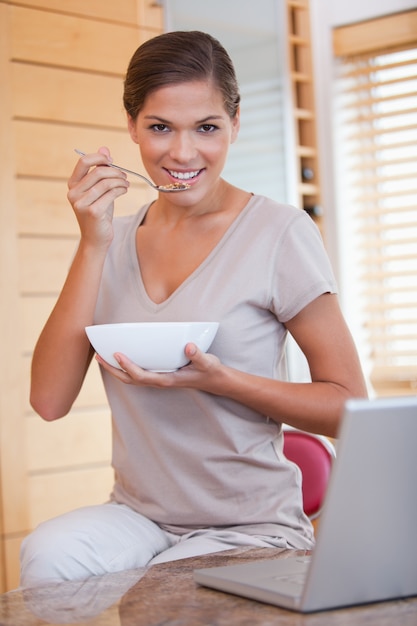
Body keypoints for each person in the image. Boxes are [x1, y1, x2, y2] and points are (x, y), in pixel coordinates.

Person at [21, 30, 367, 587]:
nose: (182, 153)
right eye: (160, 127)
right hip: (139, 516)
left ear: (234, 122)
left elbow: (349, 407)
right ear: (132, 125)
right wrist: (92, 242)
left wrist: (219, 380)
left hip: (251, 525)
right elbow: (49, 401)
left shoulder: (279, 233)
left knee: (169, 584)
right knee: (51, 552)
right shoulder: (109, 240)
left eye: (206, 127)